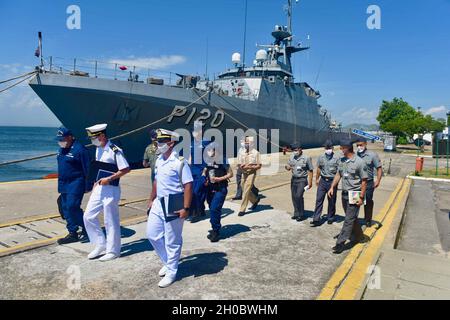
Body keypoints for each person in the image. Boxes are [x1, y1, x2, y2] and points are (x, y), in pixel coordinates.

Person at [146, 129, 193, 288]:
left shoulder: (179, 162)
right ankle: (168, 261)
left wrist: (185, 208)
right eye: (157, 142)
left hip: (174, 202)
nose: (157, 145)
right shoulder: (159, 160)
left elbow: (188, 185)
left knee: (173, 239)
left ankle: (172, 271)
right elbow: (156, 181)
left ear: (171, 143)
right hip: (159, 202)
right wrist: (151, 198)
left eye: (160, 142)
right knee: (152, 235)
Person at [83, 124, 130, 261]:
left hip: (111, 189)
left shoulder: (115, 150)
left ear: (102, 136)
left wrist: (109, 179)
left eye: (94, 137)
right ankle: (100, 244)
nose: (93, 140)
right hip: (99, 188)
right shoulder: (98, 149)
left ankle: (113, 251)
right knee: (88, 216)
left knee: (110, 220)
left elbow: (126, 168)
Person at [328, 139, 368, 254]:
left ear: (347, 148)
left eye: (342, 148)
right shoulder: (342, 161)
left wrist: (361, 197)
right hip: (345, 193)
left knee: (348, 219)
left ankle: (340, 243)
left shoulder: (359, 162)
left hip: (355, 193)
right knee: (351, 217)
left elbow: (364, 181)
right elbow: (338, 174)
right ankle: (360, 236)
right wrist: (332, 187)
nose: (340, 150)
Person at [55, 127, 91, 244]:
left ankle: (88, 227)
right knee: (65, 208)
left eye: (63, 139)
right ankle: (72, 233)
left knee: (72, 207)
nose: (61, 141)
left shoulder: (80, 150)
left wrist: (88, 185)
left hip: (76, 183)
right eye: (59, 139)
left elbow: (88, 168)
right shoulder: (62, 149)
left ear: (70, 137)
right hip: (63, 183)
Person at [201, 142, 233, 242]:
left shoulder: (222, 159)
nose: (209, 152)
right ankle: (215, 227)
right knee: (212, 208)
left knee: (215, 208)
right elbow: (205, 169)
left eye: (211, 150)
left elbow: (230, 174)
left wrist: (220, 178)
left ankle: (216, 231)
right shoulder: (208, 159)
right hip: (210, 188)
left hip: (220, 188)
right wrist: (204, 177)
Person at [311, 140, 340, 226]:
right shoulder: (321, 157)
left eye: (329, 148)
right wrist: (317, 179)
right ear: (324, 148)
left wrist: (335, 184)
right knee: (319, 199)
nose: (328, 149)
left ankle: (330, 217)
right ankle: (316, 218)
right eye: (327, 148)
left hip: (332, 181)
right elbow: (319, 168)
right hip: (323, 181)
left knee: (331, 200)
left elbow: (339, 172)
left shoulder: (337, 158)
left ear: (332, 148)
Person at [356, 138, 382, 227]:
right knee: (355, 201)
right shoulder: (355, 155)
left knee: (368, 202)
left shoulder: (372, 155)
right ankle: (354, 219)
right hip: (357, 183)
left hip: (368, 183)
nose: (359, 147)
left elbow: (379, 168)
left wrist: (378, 180)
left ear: (365, 144)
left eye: (361, 145)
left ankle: (367, 219)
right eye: (357, 145)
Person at [285, 143, 313, 221]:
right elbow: (288, 166)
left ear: (300, 149)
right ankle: (296, 213)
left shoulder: (306, 158)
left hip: (302, 180)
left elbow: (310, 170)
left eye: (296, 150)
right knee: (294, 197)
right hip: (294, 179)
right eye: (294, 150)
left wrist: (310, 183)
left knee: (298, 196)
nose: (295, 151)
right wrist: (287, 167)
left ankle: (301, 214)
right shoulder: (292, 156)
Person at [188, 121, 209, 223]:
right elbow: (190, 157)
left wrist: (205, 170)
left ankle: (195, 214)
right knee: (193, 192)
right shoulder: (192, 144)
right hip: (192, 171)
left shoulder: (206, 143)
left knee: (197, 192)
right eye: (194, 131)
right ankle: (200, 210)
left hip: (201, 171)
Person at [237, 136, 262, 217]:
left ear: (252, 144)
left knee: (246, 190)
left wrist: (250, 167)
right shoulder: (241, 152)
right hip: (244, 173)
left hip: (251, 173)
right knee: (243, 187)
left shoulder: (256, 153)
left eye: (248, 143)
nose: (246, 144)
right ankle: (255, 200)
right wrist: (241, 166)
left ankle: (242, 209)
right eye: (246, 142)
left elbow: (259, 165)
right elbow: (238, 163)